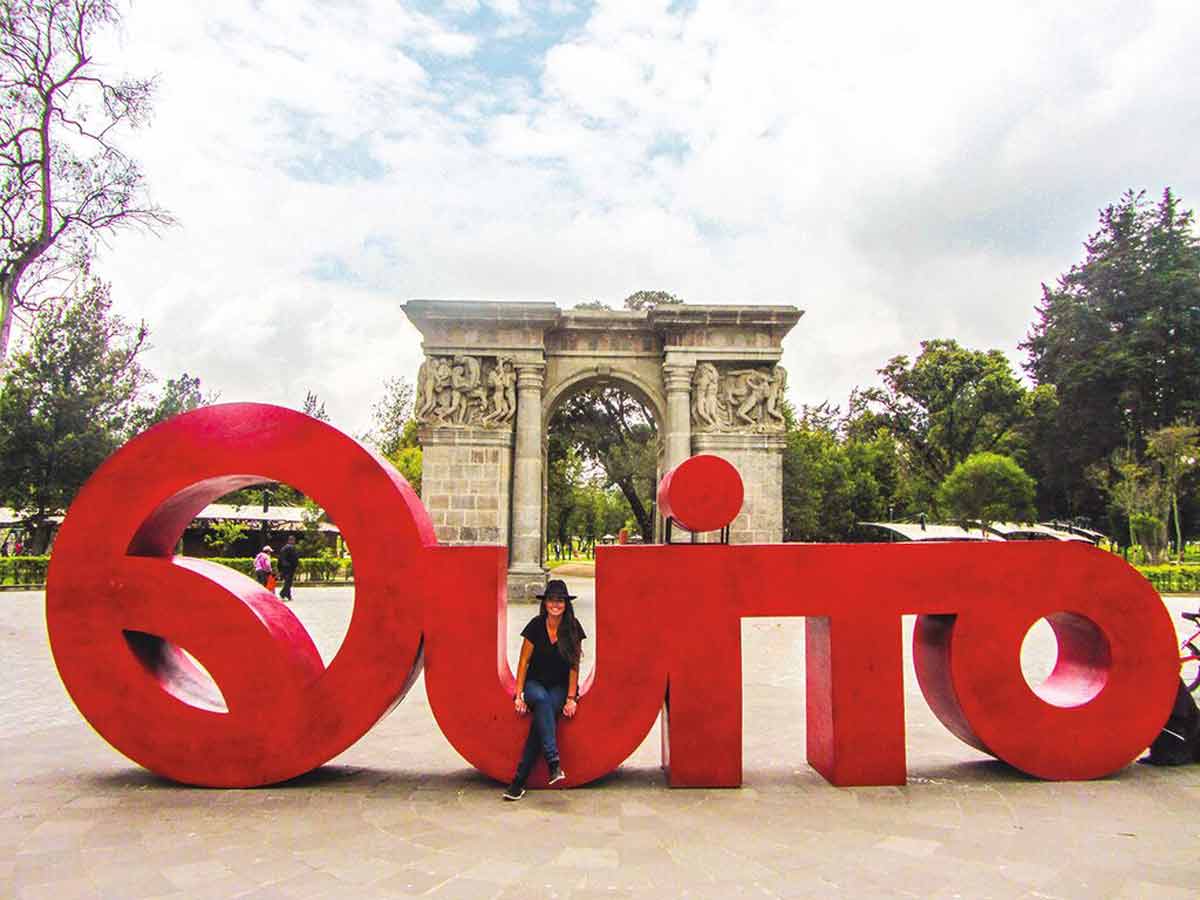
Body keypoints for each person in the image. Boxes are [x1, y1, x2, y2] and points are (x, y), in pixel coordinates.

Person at [504, 579, 586, 800]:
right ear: (545, 603)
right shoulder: (535, 626)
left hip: (560, 688)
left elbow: (574, 665)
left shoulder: (573, 628)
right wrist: (518, 694)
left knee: (543, 714)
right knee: (541, 700)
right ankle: (553, 763)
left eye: (560, 601)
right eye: (551, 600)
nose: (555, 605)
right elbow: (523, 662)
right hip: (535, 685)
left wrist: (571, 697)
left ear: (566, 604)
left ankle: (519, 781)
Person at [278, 535, 299, 602]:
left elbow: (280, 559)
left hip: (283, 568)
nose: (294, 542)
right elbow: (294, 558)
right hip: (289, 568)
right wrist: (295, 566)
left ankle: (288, 595)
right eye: (293, 540)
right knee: (288, 582)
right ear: (291, 540)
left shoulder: (283, 548)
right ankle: (282, 593)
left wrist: (279, 568)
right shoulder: (291, 548)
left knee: (287, 582)